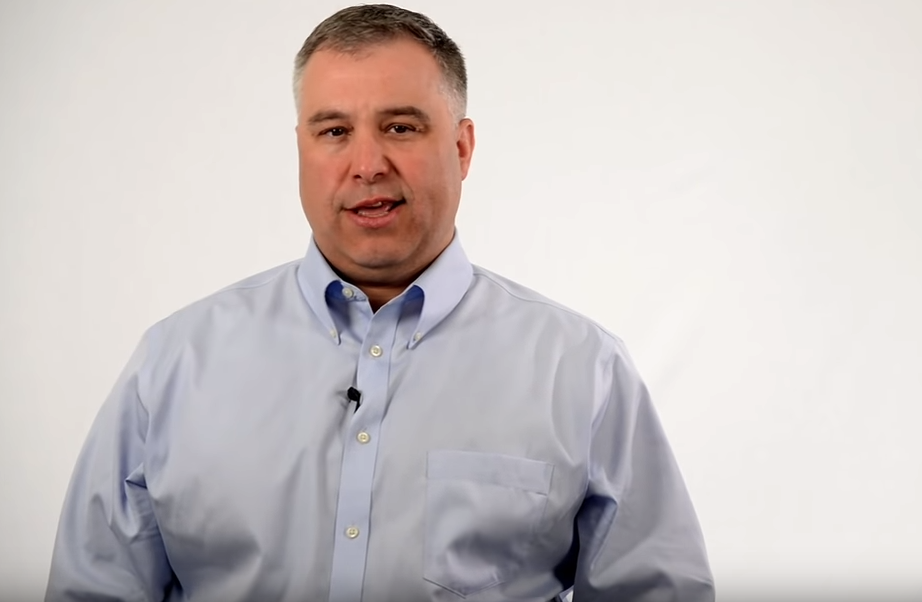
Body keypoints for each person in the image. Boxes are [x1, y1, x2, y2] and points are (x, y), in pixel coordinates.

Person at [45, 4, 714, 601]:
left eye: (399, 127)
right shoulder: (173, 363)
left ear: (462, 147)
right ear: (301, 148)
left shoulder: (583, 370)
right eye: (334, 131)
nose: (367, 164)